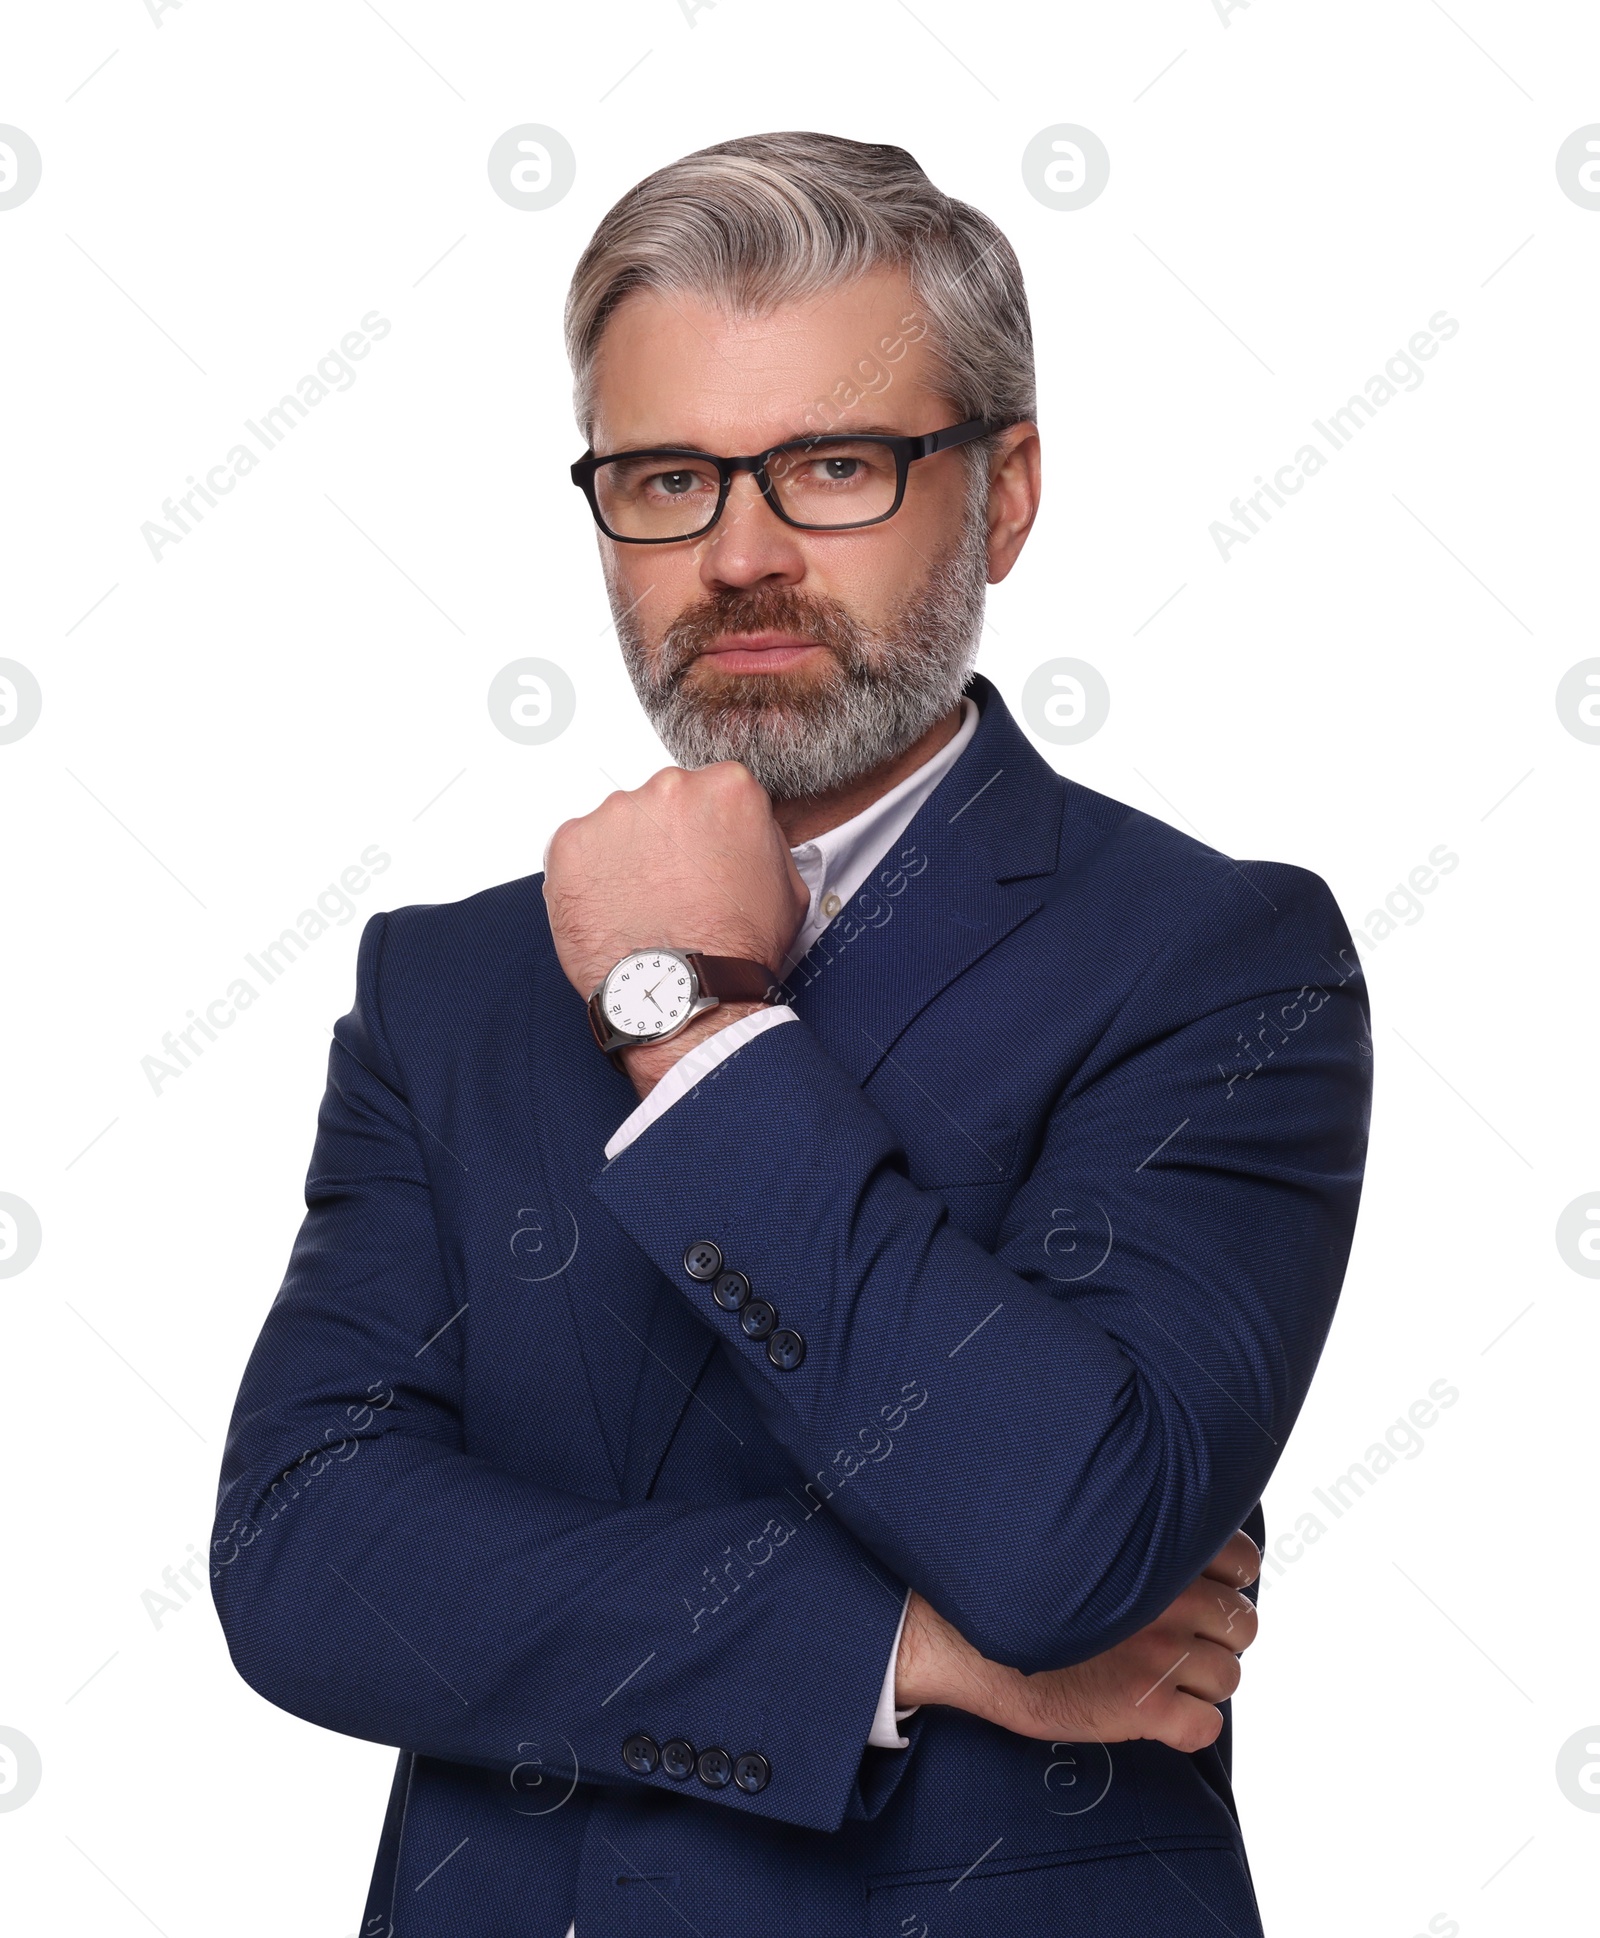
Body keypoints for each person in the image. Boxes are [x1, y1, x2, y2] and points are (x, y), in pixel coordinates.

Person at [213, 132, 1371, 1938]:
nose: (739, 554)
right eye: (669, 477)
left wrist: (692, 1037)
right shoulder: (443, 985)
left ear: (1002, 492)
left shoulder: (1219, 962)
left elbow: (1070, 1524)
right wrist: (897, 1645)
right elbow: (305, 1552)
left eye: (833, 465)